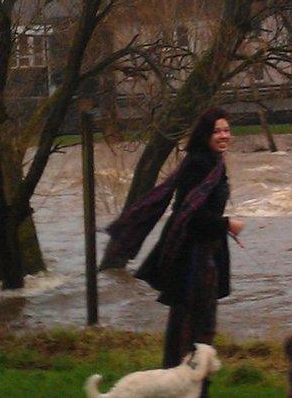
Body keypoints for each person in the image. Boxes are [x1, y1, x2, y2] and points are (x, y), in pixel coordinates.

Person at [100, 107, 244, 397]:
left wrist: (221, 226)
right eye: (218, 131)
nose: (224, 135)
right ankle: (183, 388)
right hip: (192, 259)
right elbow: (189, 215)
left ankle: (192, 388)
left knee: (198, 326)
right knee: (189, 328)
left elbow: (199, 210)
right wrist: (226, 223)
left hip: (207, 254)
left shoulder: (214, 162)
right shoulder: (198, 164)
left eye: (227, 130)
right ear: (205, 135)